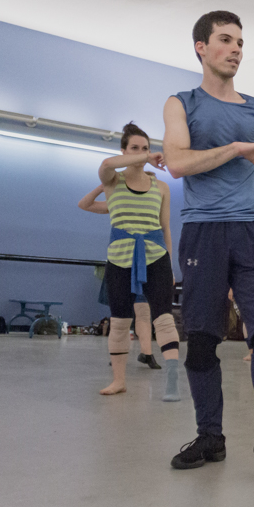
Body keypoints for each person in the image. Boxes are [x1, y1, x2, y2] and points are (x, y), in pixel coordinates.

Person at [161, 11, 254, 485]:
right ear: (201, 47)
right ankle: (210, 436)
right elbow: (177, 163)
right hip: (203, 232)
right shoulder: (181, 104)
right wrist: (238, 149)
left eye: (241, 42)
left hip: (252, 234)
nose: (236, 49)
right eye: (225, 40)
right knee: (203, 337)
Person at [87, 124, 180, 398]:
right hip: (119, 260)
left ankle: (172, 382)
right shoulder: (112, 181)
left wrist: (170, 264)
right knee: (119, 322)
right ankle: (119, 381)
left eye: (146, 148)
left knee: (164, 319)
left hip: (155, 257)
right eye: (135, 148)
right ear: (124, 151)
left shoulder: (161, 187)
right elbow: (106, 164)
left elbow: (165, 228)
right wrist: (145, 158)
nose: (142, 152)